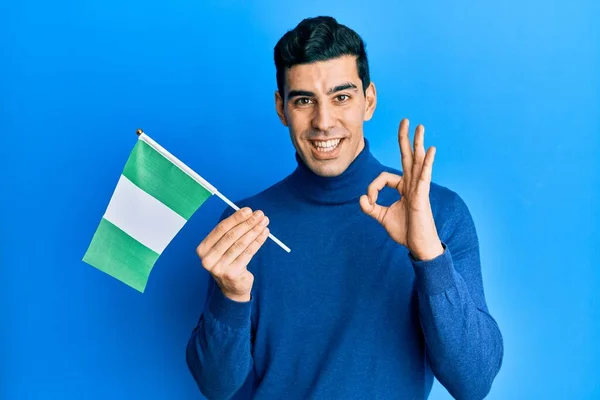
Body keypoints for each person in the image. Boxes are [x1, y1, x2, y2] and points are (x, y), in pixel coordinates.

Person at [186, 16, 503, 400]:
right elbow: (216, 387)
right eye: (304, 100)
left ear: (368, 101)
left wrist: (428, 255)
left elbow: (474, 381)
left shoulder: (440, 212)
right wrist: (231, 295)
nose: (323, 121)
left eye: (341, 97)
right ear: (281, 108)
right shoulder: (244, 225)